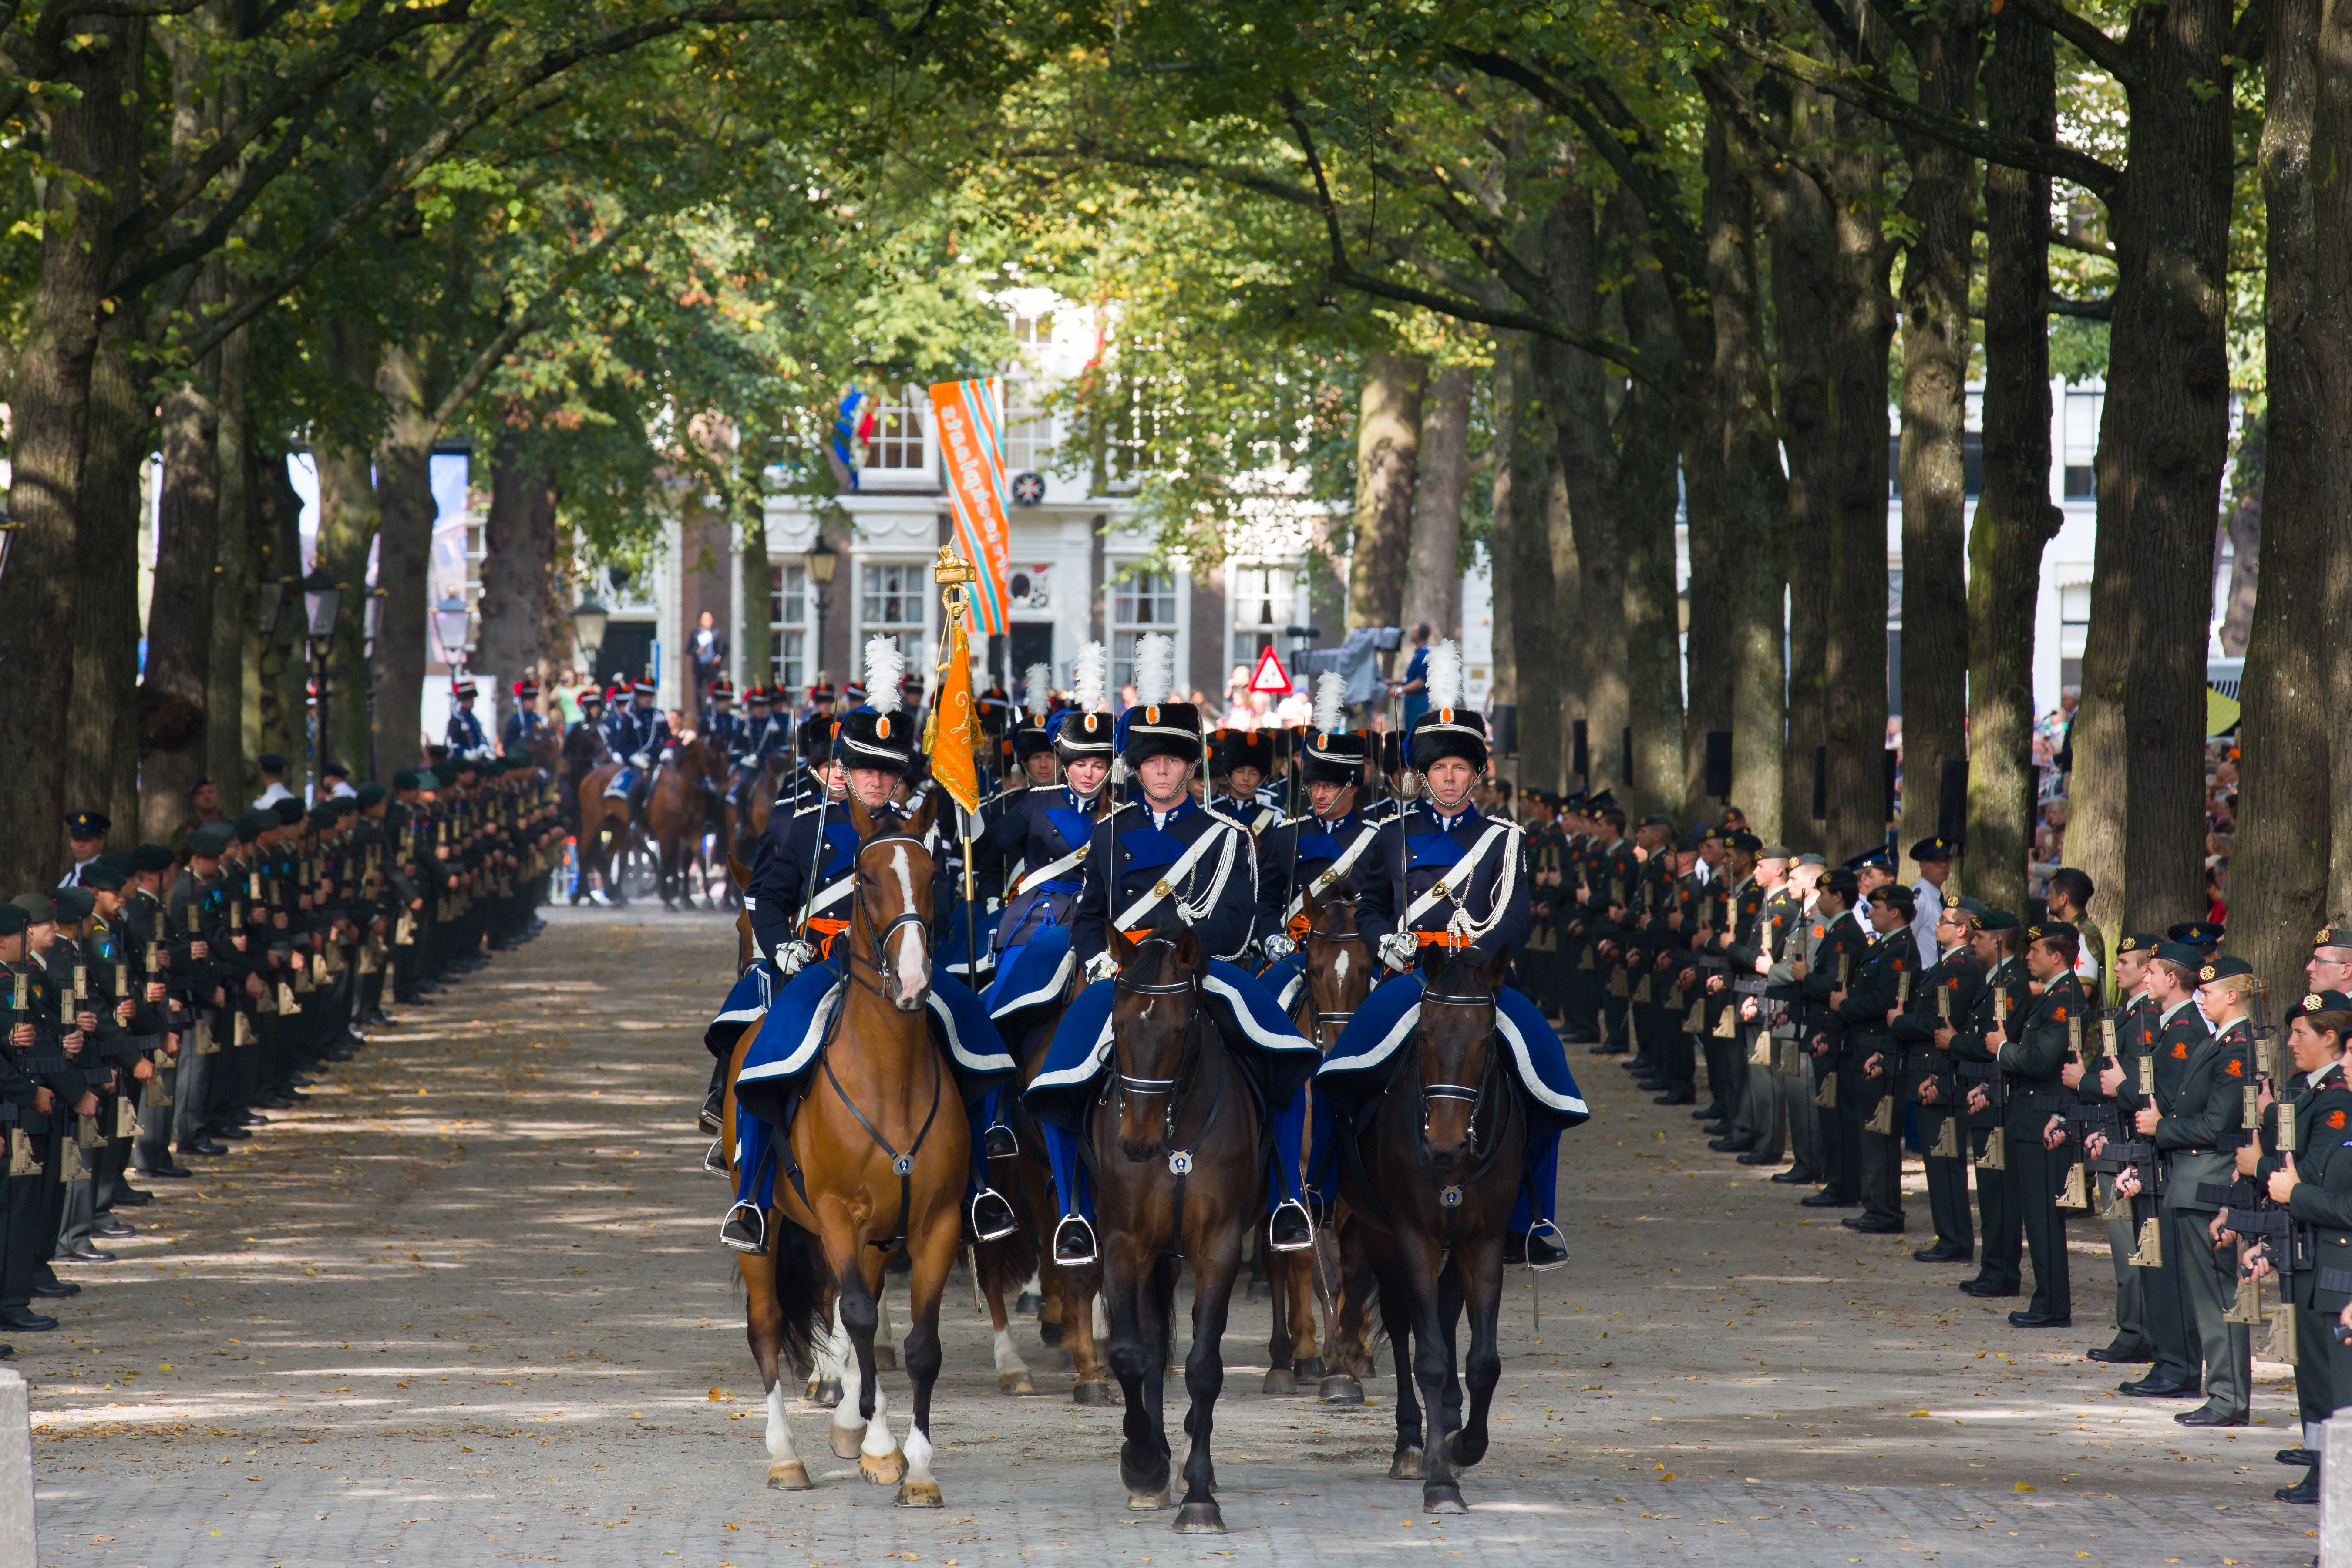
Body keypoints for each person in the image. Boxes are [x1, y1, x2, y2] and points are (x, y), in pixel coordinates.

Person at [1022, 641, 1320, 1268]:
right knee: (1056, 1069)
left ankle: (1287, 1198)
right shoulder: (1110, 832)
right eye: (1152, 761)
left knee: (1283, 1054)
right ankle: (1075, 1210)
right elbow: (1089, 916)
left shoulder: (1226, 835)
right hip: (1125, 977)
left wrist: (1188, 954)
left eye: (1174, 761)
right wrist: (1099, 960)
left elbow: (1237, 919)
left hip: (1201, 974)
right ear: (1137, 766)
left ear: (1191, 768)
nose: (1162, 772)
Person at [719, 646, 1019, 1255]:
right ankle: (751, 1196)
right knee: (767, 1049)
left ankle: (983, 1180)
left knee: (976, 1029)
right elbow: (764, 900)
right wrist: (782, 951)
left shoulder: (921, 827)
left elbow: (961, 880)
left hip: (902, 965)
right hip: (825, 964)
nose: (876, 781)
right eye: (865, 769)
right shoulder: (801, 821)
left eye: (887, 771)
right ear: (846, 768)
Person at [1312, 643, 1590, 1269]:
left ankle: (1533, 1216)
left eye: (1459, 768)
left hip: (1481, 983)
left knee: (1542, 1068)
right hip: (1409, 976)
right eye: (1438, 768)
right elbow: (1370, 905)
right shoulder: (1389, 834)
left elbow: (1513, 914)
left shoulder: (1503, 838)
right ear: (1422, 772)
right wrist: (1384, 940)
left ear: (1475, 775)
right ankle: (1320, 1187)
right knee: (1341, 1066)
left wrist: (1476, 961)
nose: (1447, 777)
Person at [603, 678, 672, 822]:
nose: (647, 699)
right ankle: (635, 820)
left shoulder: (658, 715)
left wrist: (668, 750)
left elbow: (669, 738)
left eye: (650, 695)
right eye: (643, 695)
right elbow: (621, 745)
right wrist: (634, 757)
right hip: (637, 763)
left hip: (658, 761)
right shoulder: (629, 717)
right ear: (637, 696)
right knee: (638, 785)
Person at [1396, 622, 1433, 733]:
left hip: (1418, 700)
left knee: (1415, 732)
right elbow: (1411, 679)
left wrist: (1400, 690)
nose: (1411, 633)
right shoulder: (1418, 653)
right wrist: (1392, 682)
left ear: (1420, 635)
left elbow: (1420, 682)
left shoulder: (1424, 654)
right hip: (1412, 700)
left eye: (1414, 631)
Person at [57, 812, 109, 888]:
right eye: (77, 840)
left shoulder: (108, 876)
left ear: (101, 842)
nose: (81, 845)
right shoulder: (67, 880)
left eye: (87, 840)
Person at [689, 610, 727, 711]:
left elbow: (725, 648)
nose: (710, 621)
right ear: (701, 621)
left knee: (711, 688)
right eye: (707, 619)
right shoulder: (694, 634)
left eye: (711, 619)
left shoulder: (716, 633)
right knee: (699, 689)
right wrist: (697, 651)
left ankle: (711, 708)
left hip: (711, 666)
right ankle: (699, 710)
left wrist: (718, 658)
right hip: (699, 666)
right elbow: (689, 649)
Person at [445, 681, 493, 763]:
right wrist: (465, 753)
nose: (472, 702)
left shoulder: (474, 719)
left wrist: (483, 746)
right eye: (469, 699)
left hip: (478, 759)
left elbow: (481, 736)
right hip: (463, 761)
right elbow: (451, 744)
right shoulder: (456, 720)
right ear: (463, 700)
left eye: (472, 699)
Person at [503, 679, 549, 757]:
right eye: (529, 699)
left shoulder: (538, 719)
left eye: (534, 698)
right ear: (522, 701)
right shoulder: (515, 721)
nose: (533, 701)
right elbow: (508, 748)